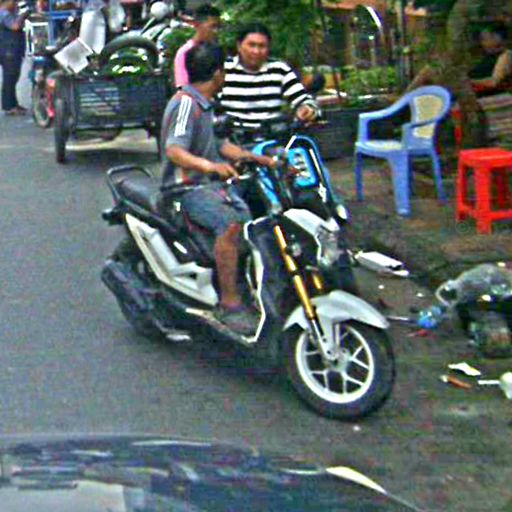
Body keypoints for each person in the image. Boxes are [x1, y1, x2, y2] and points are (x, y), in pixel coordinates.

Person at [161, 42, 275, 335]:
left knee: (258, 215)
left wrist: (259, 159)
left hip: (211, 185)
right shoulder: (186, 103)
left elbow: (220, 145)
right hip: (186, 189)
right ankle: (230, 303)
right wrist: (210, 167)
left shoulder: (206, 104)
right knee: (230, 225)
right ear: (217, 74)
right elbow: (174, 150)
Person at [219, 22, 319, 131]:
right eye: (251, 45)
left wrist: (306, 110)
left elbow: (304, 100)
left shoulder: (279, 69)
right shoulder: (224, 69)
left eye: (262, 46)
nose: (256, 51)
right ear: (239, 46)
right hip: (231, 136)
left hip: (272, 135)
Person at [173, 3, 221, 89]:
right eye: (212, 26)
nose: (216, 31)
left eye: (218, 27)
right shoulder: (184, 53)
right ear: (197, 24)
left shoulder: (217, 51)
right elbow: (183, 87)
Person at [0, 0, 29, 115]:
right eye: (14, 2)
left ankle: (13, 104)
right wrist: (23, 15)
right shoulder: (4, 14)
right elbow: (15, 26)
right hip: (8, 50)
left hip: (12, 49)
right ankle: (9, 106)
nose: (15, 4)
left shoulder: (9, 13)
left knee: (13, 78)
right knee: (10, 79)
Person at [469, 23, 512, 97]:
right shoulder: (487, 56)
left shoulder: (506, 55)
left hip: (491, 96)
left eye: (484, 39)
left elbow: (493, 82)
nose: (482, 43)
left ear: (496, 38)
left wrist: (468, 81)